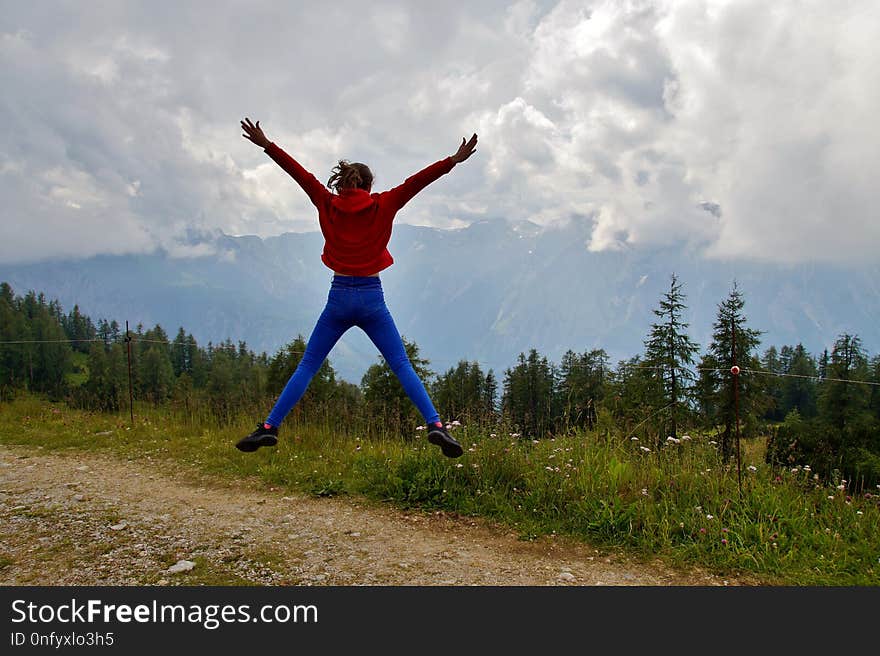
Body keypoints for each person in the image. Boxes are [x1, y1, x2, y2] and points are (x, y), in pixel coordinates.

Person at [236, 117, 478, 458]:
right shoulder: (385, 203)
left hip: (338, 298)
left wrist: (267, 144)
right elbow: (417, 182)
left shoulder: (326, 202)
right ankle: (436, 426)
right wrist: (452, 161)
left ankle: (269, 427)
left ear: (343, 185)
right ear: (367, 185)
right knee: (402, 365)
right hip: (371, 299)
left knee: (307, 365)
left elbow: (299, 174)